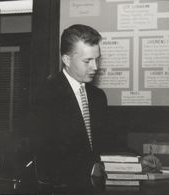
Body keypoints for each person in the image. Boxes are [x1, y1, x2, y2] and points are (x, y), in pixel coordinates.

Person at [29, 24, 108, 191]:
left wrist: (136, 161)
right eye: (87, 61)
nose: (95, 67)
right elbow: (43, 153)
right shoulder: (45, 96)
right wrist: (90, 168)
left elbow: (107, 141)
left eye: (97, 59)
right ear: (66, 59)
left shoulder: (98, 97)